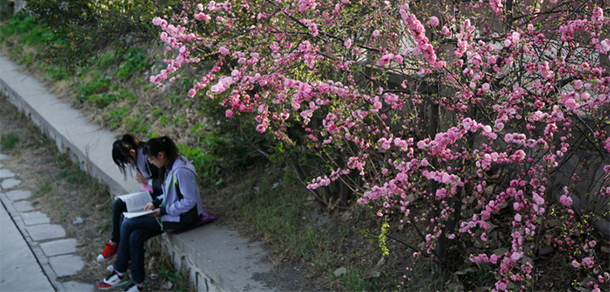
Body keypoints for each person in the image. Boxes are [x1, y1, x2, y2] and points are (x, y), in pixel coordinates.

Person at [97, 136, 205, 292]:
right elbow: (169, 192)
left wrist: (162, 210)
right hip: (170, 213)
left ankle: (119, 272)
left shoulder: (180, 171)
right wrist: (156, 203)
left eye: (150, 159)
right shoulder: (171, 165)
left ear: (160, 155)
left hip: (181, 218)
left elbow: (190, 201)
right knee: (135, 236)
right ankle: (139, 283)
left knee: (127, 223)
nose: (150, 162)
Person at [97, 134, 162, 263]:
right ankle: (116, 243)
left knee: (127, 221)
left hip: (159, 198)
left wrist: (147, 181)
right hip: (149, 194)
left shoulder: (149, 158)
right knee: (119, 204)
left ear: (132, 152)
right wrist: (144, 181)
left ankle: (122, 258)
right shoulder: (138, 159)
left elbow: (167, 184)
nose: (127, 164)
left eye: (126, 161)